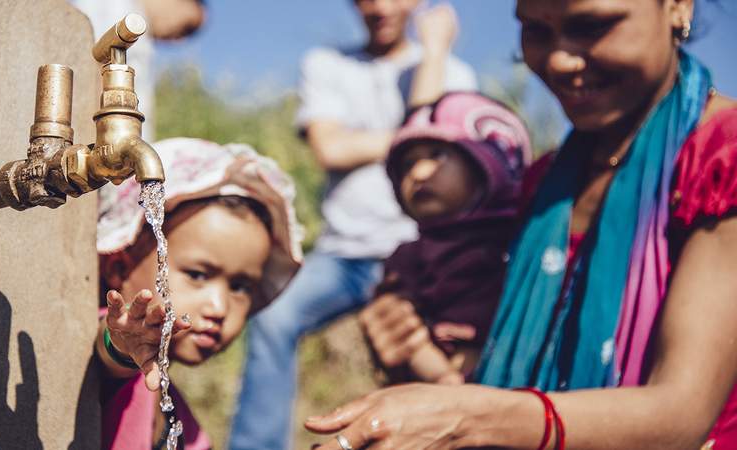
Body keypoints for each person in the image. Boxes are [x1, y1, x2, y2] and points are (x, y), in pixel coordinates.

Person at [306, 0, 737, 449]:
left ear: (676, 6)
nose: (559, 59)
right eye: (536, 31)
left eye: (591, 25)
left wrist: (467, 417)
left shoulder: (721, 157)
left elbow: (681, 415)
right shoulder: (542, 185)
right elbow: (500, 368)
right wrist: (406, 340)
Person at [228, 2, 478, 449]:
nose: (379, 6)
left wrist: (434, 52)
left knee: (428, 356)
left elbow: (432, 143)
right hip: (342, 253)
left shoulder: (452, 72)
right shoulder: (326, 64)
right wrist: (408, 138)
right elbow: (331, 149)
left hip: (419, 253)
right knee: (272, 315)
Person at [94, 138, 303, 450]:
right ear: (120, 270)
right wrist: (123, 347)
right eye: (197, 275)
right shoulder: (116, 346)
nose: (219, 308)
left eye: (240, 287)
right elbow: (109, 350)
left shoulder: (183, 427)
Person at [360, 91, 532, 386]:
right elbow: (405, 334)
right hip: (444, 383)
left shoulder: (528, 242)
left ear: (490, 163)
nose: (419, 173)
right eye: (407, 165)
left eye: (437, 155)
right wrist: (444, 378)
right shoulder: (411, 256)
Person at [70, 0, 207, 142]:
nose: (180, 41)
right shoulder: (115, 8)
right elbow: (87, 65)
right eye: (187, 28)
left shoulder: (140, 31)